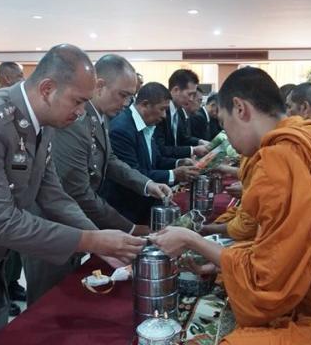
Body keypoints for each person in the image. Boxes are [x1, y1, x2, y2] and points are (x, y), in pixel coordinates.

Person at [0, 44, 146, 345]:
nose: (82, 112)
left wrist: (100, 239)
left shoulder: (43, 122)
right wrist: (90, 241)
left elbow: (53, 195)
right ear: (47, 89)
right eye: (78, 101)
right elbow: (3, 222)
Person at [151, 66, 311, 344]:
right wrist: (222, 263)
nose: (227, 137)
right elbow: (286, 244)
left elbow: (267, 283)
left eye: (224, 124)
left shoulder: (284, 156)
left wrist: (192, 239)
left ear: (240, 109)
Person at [22, 55, 171, 304]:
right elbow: (77, 191)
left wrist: (146, 184)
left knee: (71, 296)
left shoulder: (99, 116)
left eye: (130, 97)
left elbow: (110, 161)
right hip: (52, 225)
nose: (126, 103)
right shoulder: (75, 119)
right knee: (48, 303)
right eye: (122, 95)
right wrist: (128, 228)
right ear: (100, 86)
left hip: (75, 219)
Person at [104, 82, 200, 224]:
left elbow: (155, 160)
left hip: (144, 207)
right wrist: (173, 174)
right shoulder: (121, 130)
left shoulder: (147, 124)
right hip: (126, 212)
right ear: (145, 105)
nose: (164, 116)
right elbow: (133, 173)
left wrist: (179, 162)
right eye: (162, 109)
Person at [0, 62, 27, 316]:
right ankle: (4, 289)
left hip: (15, 191)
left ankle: (13, 284)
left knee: (15, 251)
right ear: (7, 78)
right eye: (18, 76)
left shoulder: (18, 110)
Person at [155, 69, 209, 159]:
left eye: (193, 95)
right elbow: (161, 149)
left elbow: (182, 138)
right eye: (189, 94)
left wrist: (200, 142)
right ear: (176, 90)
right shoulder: (161, 112)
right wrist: (192, 150)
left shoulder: (179, 111)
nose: (191, 99)